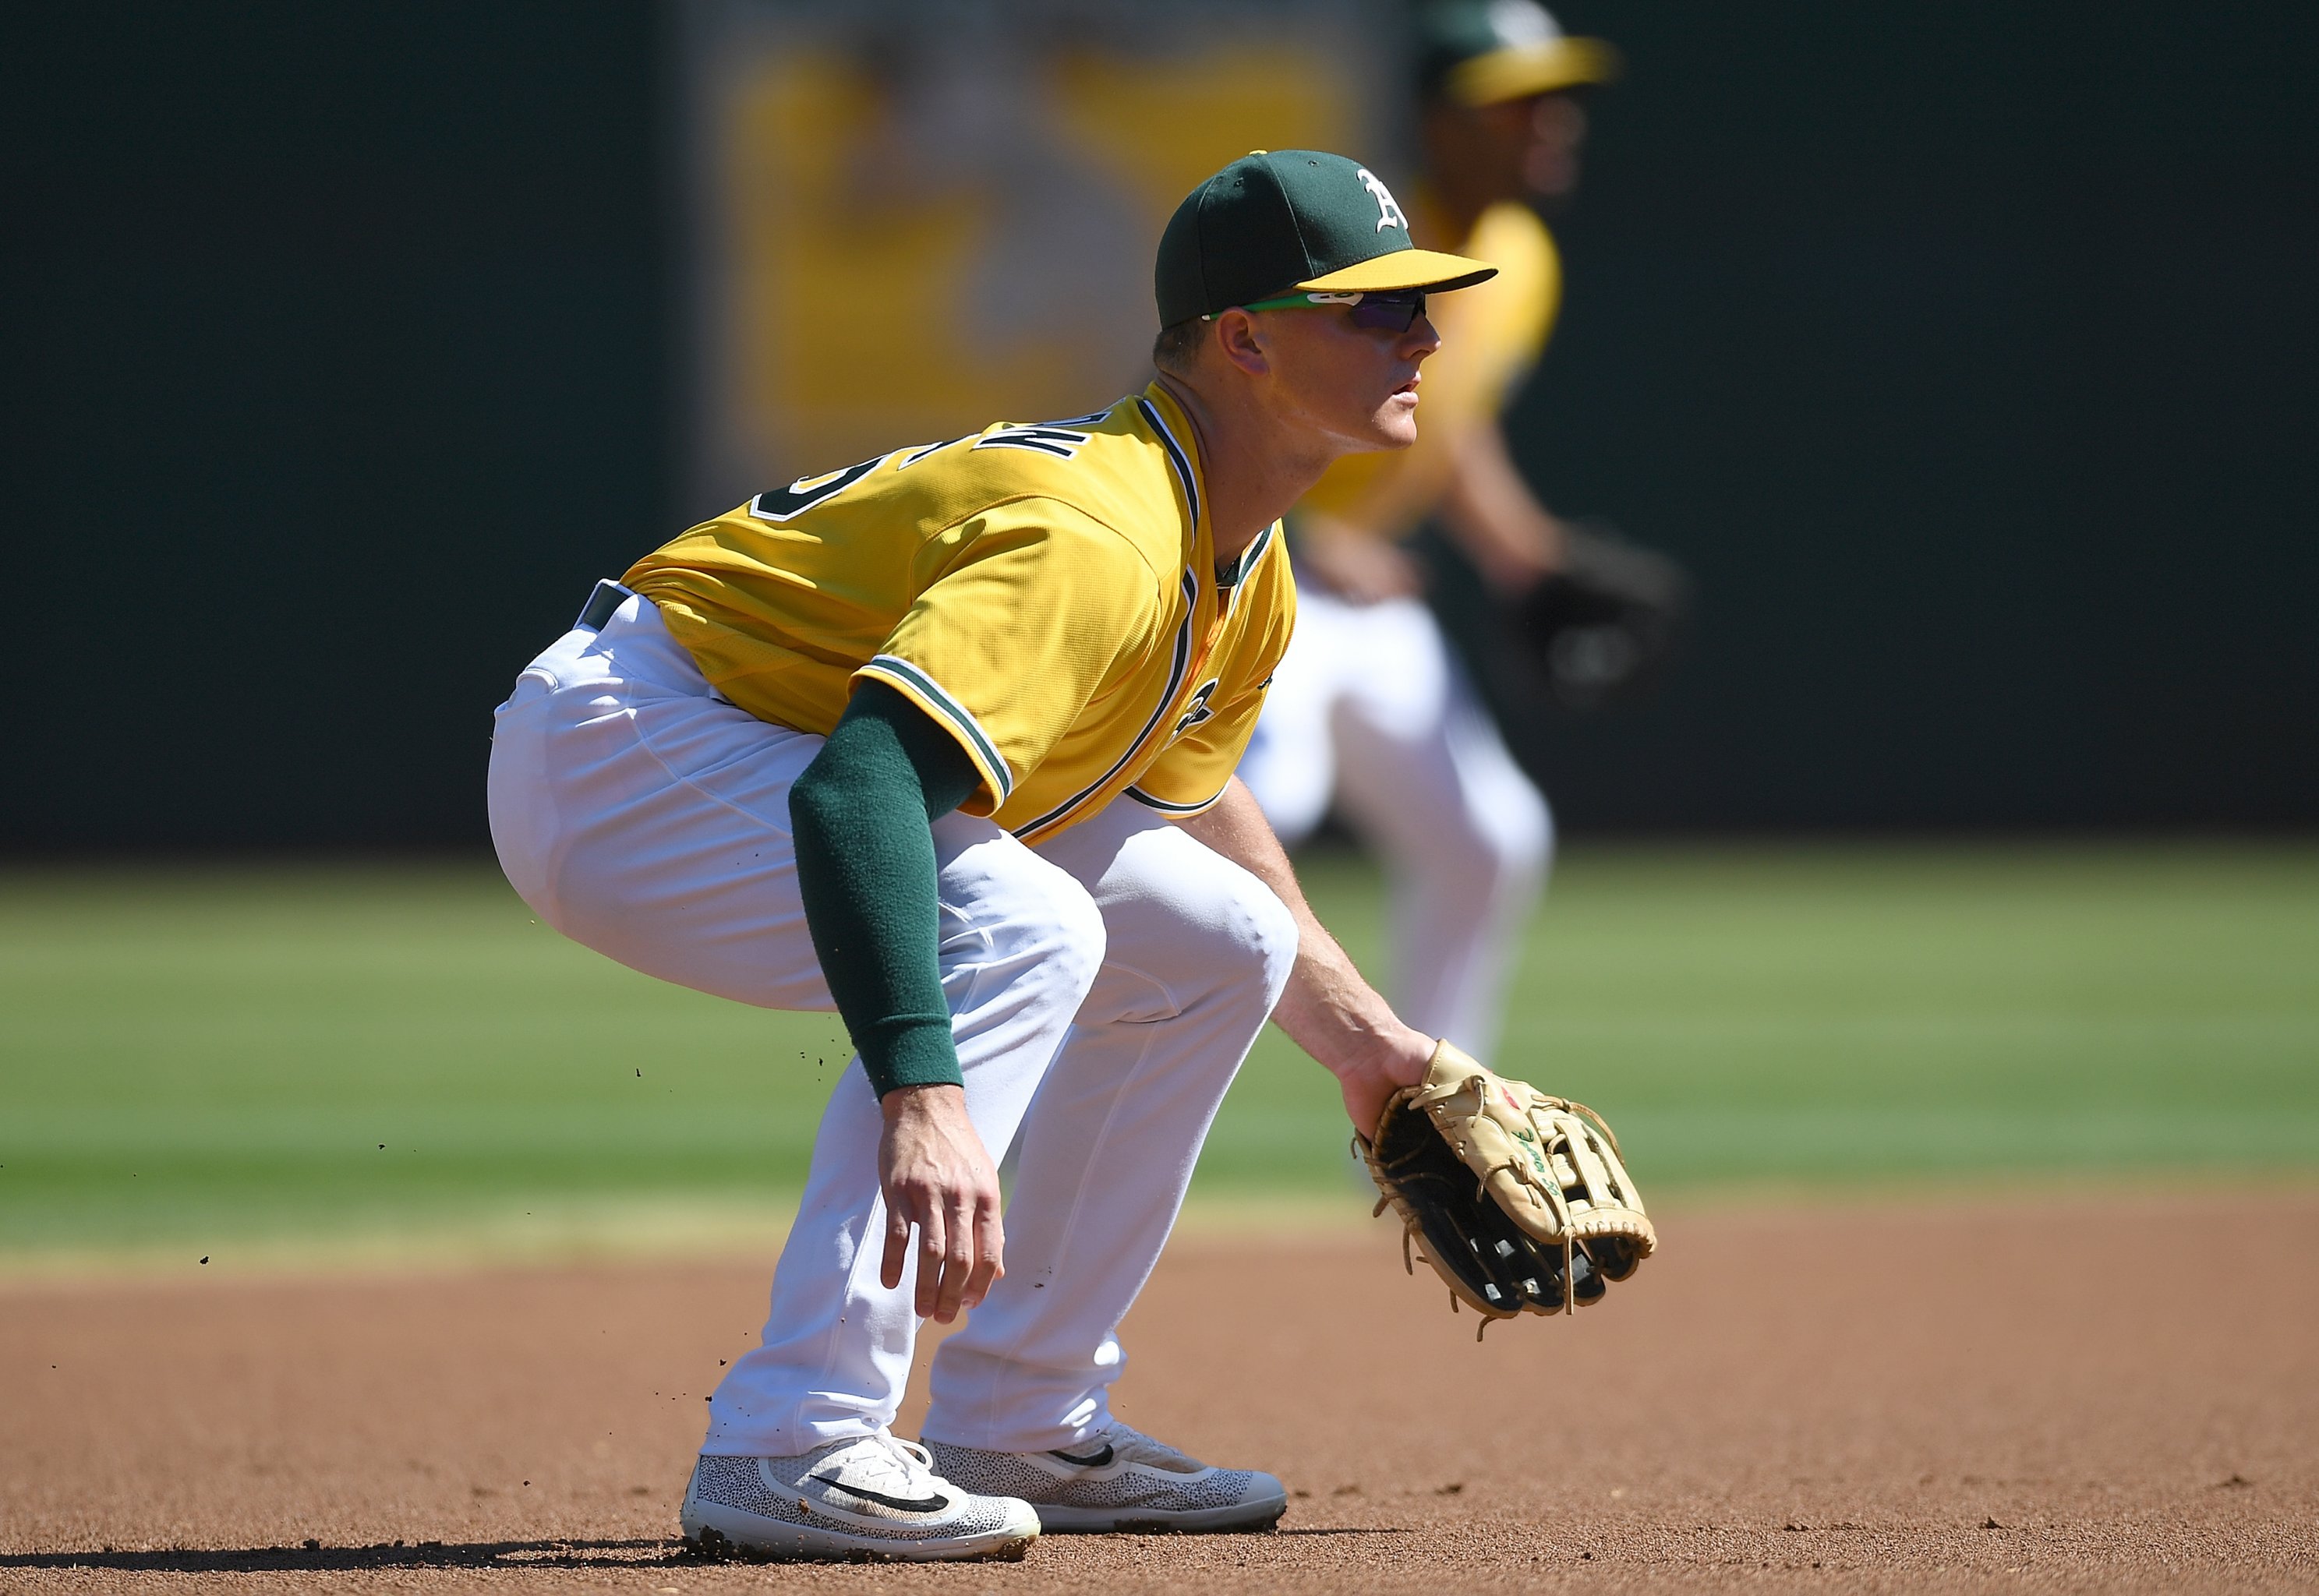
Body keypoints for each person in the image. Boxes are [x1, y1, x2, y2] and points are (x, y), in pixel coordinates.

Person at [486, 150, 1496, 1562]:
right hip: (621, 753)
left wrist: (1369, 1046)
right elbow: (859, 795)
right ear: (1248, 340)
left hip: (742, 740)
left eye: (1420, 306)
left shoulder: (1240, 556)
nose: (1422, 335)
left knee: (1225, 945)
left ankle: (1022, 1412)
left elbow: (1186, 810)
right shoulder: (1101, 537)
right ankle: (795, 1441)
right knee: (1023, 921)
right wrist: (924, 1089)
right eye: (1373, 310)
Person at [1235, 0, 1623, 1065]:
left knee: (1489, 841)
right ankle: (1039, 1096)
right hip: (1257, 578)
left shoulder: (1523, 260)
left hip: (1365, 604)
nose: (1552, 125)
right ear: (1441, 121)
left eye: (1557, 101)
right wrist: (1309, 535)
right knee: (1258, 814)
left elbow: (1449, 428)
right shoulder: (1353, 239)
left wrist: (1522, 556)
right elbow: (1202, 396)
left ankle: (1438, 1134)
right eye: (1517, 106)